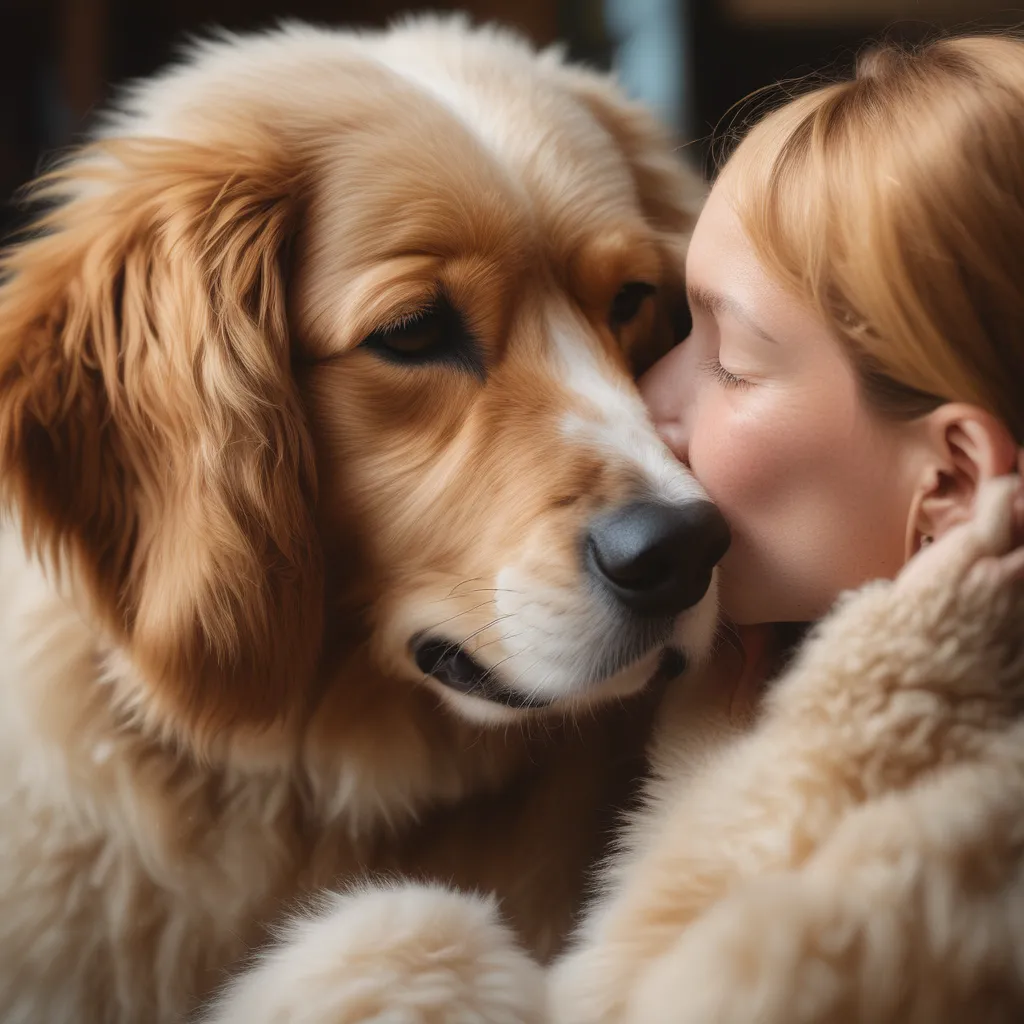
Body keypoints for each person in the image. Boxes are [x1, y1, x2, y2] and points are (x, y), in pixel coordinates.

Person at [544, 32, 1024, 1023]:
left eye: (729, 359)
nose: (646, 399)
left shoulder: (946, 888)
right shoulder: (727, 693)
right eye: (679, 329)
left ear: (953, 480)